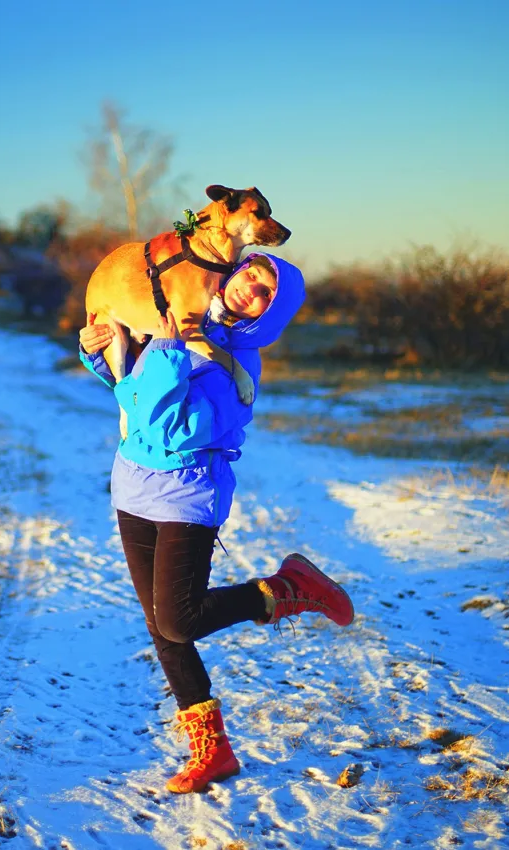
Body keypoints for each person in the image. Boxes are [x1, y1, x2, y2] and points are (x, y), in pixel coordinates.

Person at [78, 253, 354, 794]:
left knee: (179, 619)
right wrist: (101, 346)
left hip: (187, 492)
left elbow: (160, 412)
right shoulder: (175, 316)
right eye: (252, 273)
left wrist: (171, 340)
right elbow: (126, 383)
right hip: (132, 485)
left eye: (264, 293)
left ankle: (286, 589)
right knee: (163, 630)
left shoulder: (239, 360)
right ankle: (214, 752)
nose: (250, 287)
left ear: (268, 316)